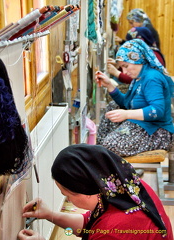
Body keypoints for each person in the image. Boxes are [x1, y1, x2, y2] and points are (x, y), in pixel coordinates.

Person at [17, 144, 173, 240]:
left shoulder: (112, 231)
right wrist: (50, 215)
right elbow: (89, 225)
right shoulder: (127, 188)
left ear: (87, 192)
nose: (68, 201)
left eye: (68, 196)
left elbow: (101, 230)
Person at [95, 39, 174, 157]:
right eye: (122, 67)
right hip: (143, 125)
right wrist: (109, 85)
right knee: (112, 107)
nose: (124, 72)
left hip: (158, 132)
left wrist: (127, 115)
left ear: (138, 59)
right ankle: (101, 155)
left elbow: (157, 111)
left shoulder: (152, 78)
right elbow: (126, 104)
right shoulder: (139, 77)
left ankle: (108, 160)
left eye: (126, 66)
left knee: (111, 145)